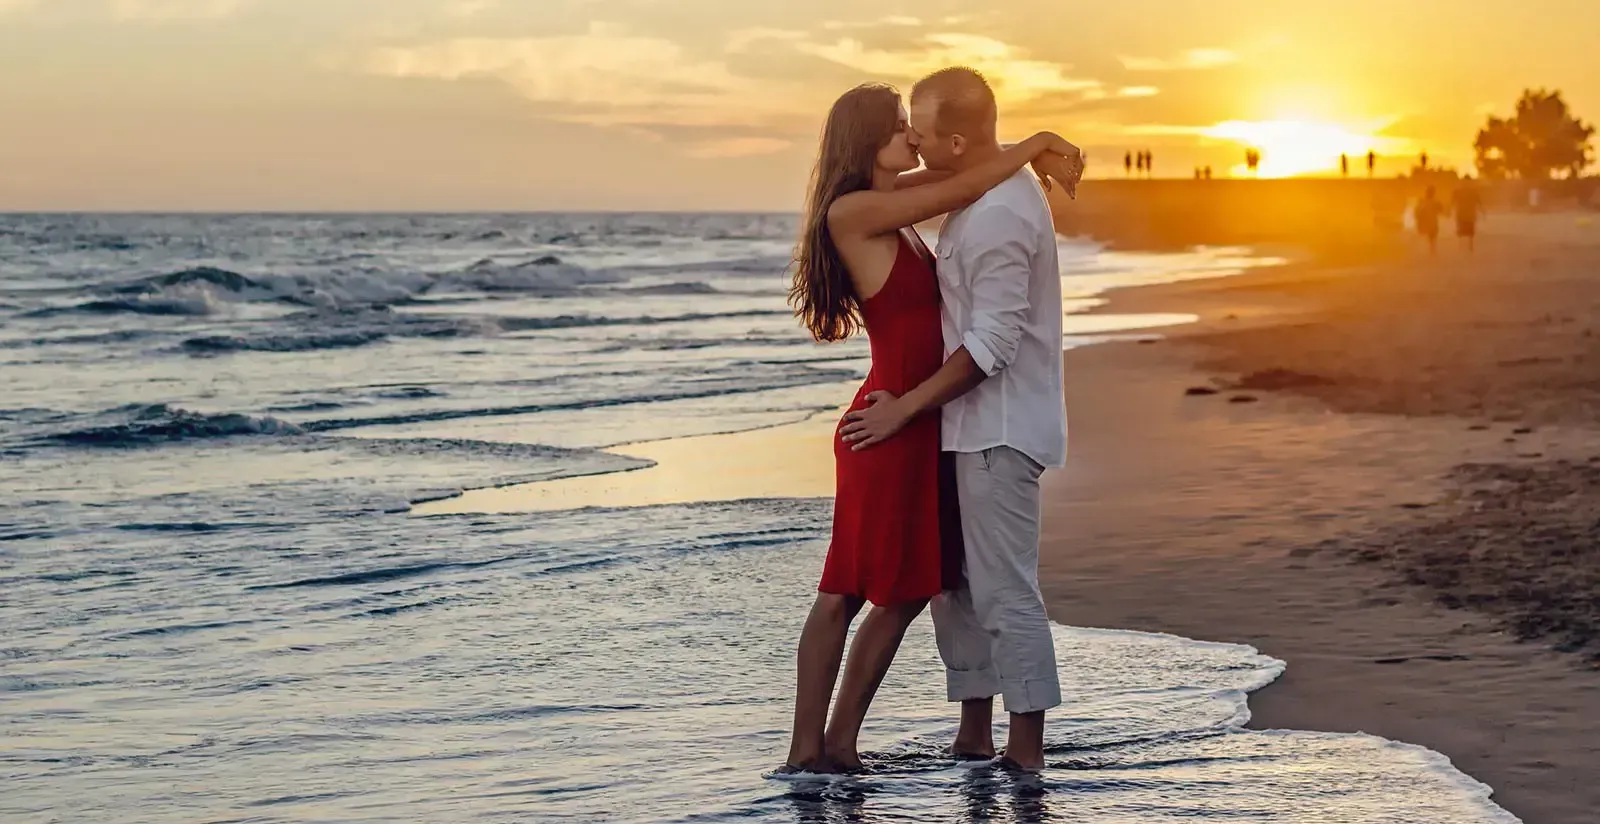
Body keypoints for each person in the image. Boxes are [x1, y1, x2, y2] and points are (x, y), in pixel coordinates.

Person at [782, 80, 1082, 774]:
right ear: (868, 141)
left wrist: (1019, 151)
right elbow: (964, 180)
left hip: (919, 419)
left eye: (914, 125)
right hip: (891, 420)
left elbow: (966, 174)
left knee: (910, 588)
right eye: (899, 127)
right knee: (851, 588)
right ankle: (812, 751)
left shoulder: (895, 202)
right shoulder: (859, 210)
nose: (911, 138)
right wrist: (1036, 142)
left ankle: (837, 748)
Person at [1452, 177, 1483, 252]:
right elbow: (1452, 201)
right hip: (1464, 214)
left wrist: (1482, 210)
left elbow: (1479, 202)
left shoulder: (1471, 192)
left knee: (1468, 233)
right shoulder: (1459, 191)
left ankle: (1468, 248)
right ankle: (1464, 248)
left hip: (1467, 215)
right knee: (1463, 232)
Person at [1414, 185, 1444, 255]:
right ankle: (1431, 251)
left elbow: (1417, 212)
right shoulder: (1432, 202)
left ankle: (1430, 251)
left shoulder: (1424, 201)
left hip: (1429, 222)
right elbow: (1441, 210)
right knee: (1431, 237)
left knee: (1430, 237)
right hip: (1431, 222)